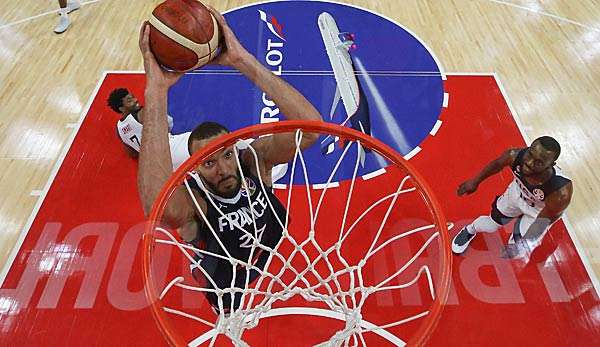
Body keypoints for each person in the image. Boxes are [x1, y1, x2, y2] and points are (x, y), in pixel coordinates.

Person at [137, 7, 323, 311]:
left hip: (273, 253)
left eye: (226, 155)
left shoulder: (253, 162)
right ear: (195, 168)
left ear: (236, 150)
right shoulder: (197, 202)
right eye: (209, 163)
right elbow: (155, 206)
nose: (223, 168)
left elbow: (311, 130)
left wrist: (242, 60)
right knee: (230, 317)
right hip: (228, 283)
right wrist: (156, 91)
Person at [452, 136, 572, 257]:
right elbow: (497, 164)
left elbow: (543, 222)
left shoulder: (560, 192)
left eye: (539, 162)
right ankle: (470, 230)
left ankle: (518, 239)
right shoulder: (514, 155)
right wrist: (475, 181)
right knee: (491, 224)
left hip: (537, 212)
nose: (529, 163)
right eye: (530, 154)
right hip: (516, 194)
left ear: (551, 164)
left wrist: (522, 244)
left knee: (517, 249)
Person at [107, 88, 189, 171]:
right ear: (121, 109)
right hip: (171, 150)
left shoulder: (119, 130)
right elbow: (169, 123)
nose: (135, 100)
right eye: (129, 101)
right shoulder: (142, 113)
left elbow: (132, 154)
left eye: (133, 97)